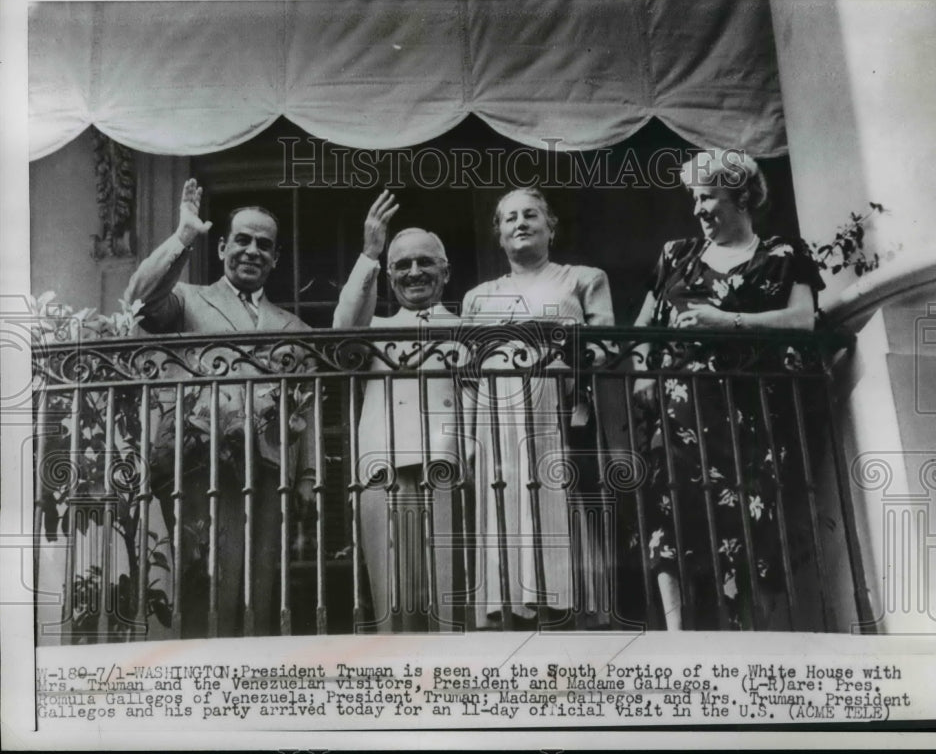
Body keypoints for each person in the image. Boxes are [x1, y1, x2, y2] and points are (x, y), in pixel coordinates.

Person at [631, 150, 824, 631]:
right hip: (679, 409)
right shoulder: (678, 255)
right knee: (668, 507)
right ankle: (676, 633)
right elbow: (642, 326)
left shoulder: (784, 254)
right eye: (694, 199)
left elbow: (801, 320)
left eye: (708, 197)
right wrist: (639, 373)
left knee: (746, 512)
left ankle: (744, 626)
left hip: (750, 407)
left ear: (741, 197)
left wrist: (726, 321)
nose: (697, 209)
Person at [124, 178, 316, 638]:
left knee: (261, 590)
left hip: (269, 474)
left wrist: (307, 478)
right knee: (204, 588)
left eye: (264, 245)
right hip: (200, 470)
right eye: (243, 240)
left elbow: (305, 405)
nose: (252, 251)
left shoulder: (294, 326)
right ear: (223, 246)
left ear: (275, 258)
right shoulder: (189, 299)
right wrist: (184, 234)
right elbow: (140, 299)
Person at [462, 187, 615, 629]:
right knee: (505, 500)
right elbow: (469, 370)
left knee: (557, 500)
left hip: (558, 408)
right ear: (499, 233)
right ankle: (507, 607)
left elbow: (605, 348)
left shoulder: (583, 279)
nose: (520, 224)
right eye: (509, 218)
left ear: (551, 227)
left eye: (530, 215)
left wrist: (559, 358)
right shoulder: (478, 297)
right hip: (498, 417)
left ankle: (562, 607)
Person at [333, 191, 463, 632]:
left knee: (448, 601)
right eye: (402, 265)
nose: (414, 272)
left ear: (446, 271)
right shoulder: (375, 329)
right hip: (383, 470)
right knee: (392, 603)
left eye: (425, 262)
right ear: (388, 277)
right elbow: (341, 335)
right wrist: (369, 253)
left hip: (450, 467)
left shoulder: (468, 325)